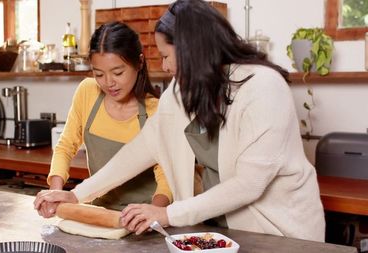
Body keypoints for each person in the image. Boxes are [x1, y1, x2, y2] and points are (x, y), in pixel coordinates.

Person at [34, 0, 325, 242]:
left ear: (191, 49)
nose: (164, 66)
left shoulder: (264, 87)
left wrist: (167, 214)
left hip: (282, 235)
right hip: (220, 230)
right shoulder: (182, 89)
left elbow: (249, 184)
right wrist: (76, 195)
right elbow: (144, 147)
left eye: (166, 56)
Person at [36, 21, 172, 217]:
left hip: (143, 215)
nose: (109, 83)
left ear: (139, 63)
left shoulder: (157, 110)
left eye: (118, 73)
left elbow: (166, 176)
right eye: (99, 74)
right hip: (99, 211)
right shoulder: (87, 92)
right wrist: (56, 192)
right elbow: (66, 146)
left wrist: (154, 213)